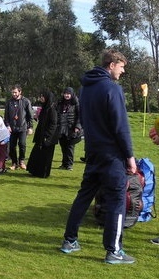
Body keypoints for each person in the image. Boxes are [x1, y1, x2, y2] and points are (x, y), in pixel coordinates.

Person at [60, 49, 136, 264]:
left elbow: (84, 118)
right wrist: (129, 156)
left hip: (93, 152)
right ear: (111, 65)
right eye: (122, 67)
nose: (122, 72)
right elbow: (120, 126)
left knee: (84, 196)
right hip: (112, 155)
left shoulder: (85, 88)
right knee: (117, 200)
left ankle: (70, 240)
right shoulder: (112, 88)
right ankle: (114, 251)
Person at [26, 90, 58, 178]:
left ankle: (42, 173)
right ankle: (35, 171)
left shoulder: (52, 108)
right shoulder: (45, 107)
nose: (41, 98)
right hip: (41, 135)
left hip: (48, 137)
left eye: (42, 96)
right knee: (37, 154)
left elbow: (53, 124)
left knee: (45, 156)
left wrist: (47, 136)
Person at [4, 85, 34, 170]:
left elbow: (30, 115)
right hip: (12, 128)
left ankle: (21, 161)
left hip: (22, 127)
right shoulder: (9, 102)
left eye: (15, 92)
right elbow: (6, 116)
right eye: (12, 92)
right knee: (12, 146)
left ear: (20, 92)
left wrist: (30, 127)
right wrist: (8, 126)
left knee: (22, 144)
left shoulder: (26, 101)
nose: (13, 94)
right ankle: (14, 163)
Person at [56, 87, 82, 170]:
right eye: (65, 93)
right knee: (63, 146)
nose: (66, 95)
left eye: (68, 94)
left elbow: (80, 116)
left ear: (71, 94)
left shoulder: (76, 103)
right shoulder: (60, 103)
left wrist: (77, 126)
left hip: (71, 128)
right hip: (61, 128)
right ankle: (64, 164)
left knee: (70, 147)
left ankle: (69, 164)